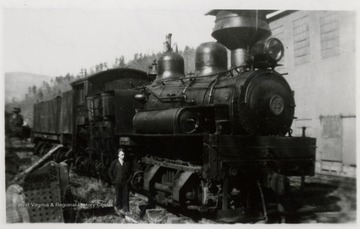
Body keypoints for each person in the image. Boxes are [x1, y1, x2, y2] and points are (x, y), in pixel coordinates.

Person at [108, 148, 131, 214]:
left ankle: (126, 210)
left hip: (125, 183)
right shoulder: (115, 163)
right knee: (118, 195)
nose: (123, 156)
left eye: (124, 155)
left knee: (126, 196)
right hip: (117, 182)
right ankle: (118, 208)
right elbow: (110, 171)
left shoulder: (127, 163)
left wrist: (128, 180)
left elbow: (131, 172)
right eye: (122, 155)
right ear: (118, 155)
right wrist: (113, 180)